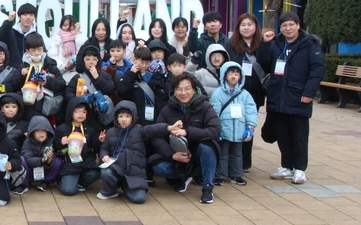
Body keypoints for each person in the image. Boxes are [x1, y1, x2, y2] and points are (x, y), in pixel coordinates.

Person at [257, 12, 325, 185]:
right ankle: (286, 166)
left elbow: (317, 69)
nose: (288, 28)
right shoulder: (276, 43)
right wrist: (265, 43)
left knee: (299, 135)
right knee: (283, 134)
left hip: (299, 96)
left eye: (291, 24)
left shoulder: (309, 45)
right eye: (284, 25)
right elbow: (264, 63)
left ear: (298, 25)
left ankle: (300, 169)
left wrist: (309, 92)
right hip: (278, 96)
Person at [151, 73, 221, 204]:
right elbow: (156, 135)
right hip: (177, 154)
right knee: (158, 167)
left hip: (198, 155)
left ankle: (207, 188)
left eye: (187, 88)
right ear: (174, 91)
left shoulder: (205, 106)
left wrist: (187, 132)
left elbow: (215, 131)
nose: (183, 93)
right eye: (179, 89)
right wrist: (172, 155)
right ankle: (183, 177)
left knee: (208, 147)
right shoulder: (167, 109)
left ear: (194, 89)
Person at [98, 101, 181, 203]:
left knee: (139, 199)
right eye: (120, 116)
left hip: (135, 172)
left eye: (127, 116)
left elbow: (153, 129)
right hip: (117, 168)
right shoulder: (111, 132)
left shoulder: (139, 130)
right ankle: (110, 191)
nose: (124, 119)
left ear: (133, 117)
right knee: (106, 172)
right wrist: (104, 155)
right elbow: (104, 148)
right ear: (116, 118)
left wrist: (169, 127)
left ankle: (126, 186)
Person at [225, 13, 265, 172]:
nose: (246, 28)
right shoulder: (230, 45)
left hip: (254, 94)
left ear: (255, 27)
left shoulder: (263, 46)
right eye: (243, 25)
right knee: (233, 124)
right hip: (234, 94)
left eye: (250, 24)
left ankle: (245, 162)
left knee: (248, 126)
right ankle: (231, 160)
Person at [210, 62, 258, 186]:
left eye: (236, 74)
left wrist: (250, 127)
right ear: (225, 75)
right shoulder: (218, 93)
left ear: (240, 77)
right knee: (223, 153)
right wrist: (216, 127)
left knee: (237, 154)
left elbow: (251, 110)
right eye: (231, 73)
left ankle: (236, 175)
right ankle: (220, 175)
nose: (233, 76)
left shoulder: (245, 94)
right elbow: (214, 111)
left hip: (239, 129)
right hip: (224, 129)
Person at [54, 97, 102, 196]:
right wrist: (60, 142)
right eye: (77, 112)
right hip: (69, 164)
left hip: (84, 162)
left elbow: (95, 147)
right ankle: (62, 181)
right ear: (71, 112)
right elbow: (54, 146)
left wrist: (99, 141)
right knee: (69, 191)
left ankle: (80, 183)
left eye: (84, 112)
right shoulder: (62, 129)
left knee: (97, 171)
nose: (81, 114)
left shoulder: (89, 130)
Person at [64, 45, 116, 132]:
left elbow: (110, 90)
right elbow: (67, 93)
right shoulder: (78, 77)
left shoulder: (104, 75)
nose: (91, 62)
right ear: (83, 61)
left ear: (98, 61)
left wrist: (97, 78)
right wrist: (80, 99)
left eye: (94, 59)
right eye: (87, 59)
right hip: (83, 117)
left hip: (101, 116)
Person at [115, 46, 169, 126]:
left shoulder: (154, 77)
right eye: (142, 62)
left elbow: (161, 98)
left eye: (147, 63)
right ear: (134, 59)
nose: (144, 66)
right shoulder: (129, 75)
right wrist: (131, 74)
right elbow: (122, 92)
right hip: (135, 116)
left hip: (151, 115)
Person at [18, 32, 66, 121]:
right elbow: (14, 86)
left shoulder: (50, 65)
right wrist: (21, 76)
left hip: (45, 106)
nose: (37, 53)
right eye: (33, 50)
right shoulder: (22, 66)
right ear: (27, 51)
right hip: (28, 106)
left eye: (39, 49)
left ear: (43, 48)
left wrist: (47, 81)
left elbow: (62, 83)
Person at [18, 115, 63, 193]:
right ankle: (23, 184)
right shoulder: (27, 142)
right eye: (37, 131)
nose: (41, 134)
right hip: (30, 170)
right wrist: (41, 160)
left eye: (44, 131)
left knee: (58, 161)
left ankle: (45, 182)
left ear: (48, 132)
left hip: (44, 170)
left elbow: (51, 163)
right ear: (32, 133)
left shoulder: (50, 142)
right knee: (21, 160)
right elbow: (27, 159)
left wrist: (49, 160)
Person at [0, 3, 36, 69]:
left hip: (30, 72)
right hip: (12, 72)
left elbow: (42, 54)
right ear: (19, 17)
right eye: (25, 15)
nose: (28, 17)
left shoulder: (36, 36)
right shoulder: (11, 32)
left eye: (31, 15)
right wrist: (9, 21)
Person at [48, 15, 87, 82]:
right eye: (65, 25)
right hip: (62, 73)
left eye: (70, 25)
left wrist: (77, 33)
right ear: (61, 26)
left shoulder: (79, 36)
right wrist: (64, 66)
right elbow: (52, 55)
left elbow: (83, 49)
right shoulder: (58, 38)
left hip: (77, 73)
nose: (67, 27)